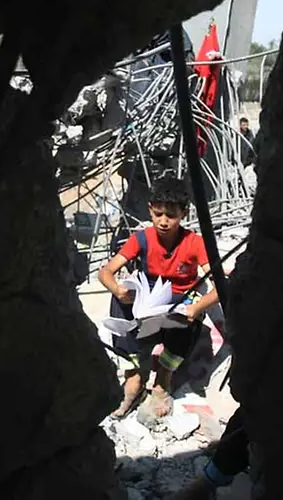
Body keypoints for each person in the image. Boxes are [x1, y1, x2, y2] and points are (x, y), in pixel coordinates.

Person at [98, 177, 219, 419]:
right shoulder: (141, 239)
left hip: (177, 302)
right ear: (150, 209)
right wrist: (119, 290)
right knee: (119, 301)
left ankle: (163, 379)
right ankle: (134, 377)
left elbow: (219, 286)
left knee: (189, 320)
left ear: (183, 213)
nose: (163, 221)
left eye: (171, 215)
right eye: (159, 213)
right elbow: (106, 272)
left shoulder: (194, 243)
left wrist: (196, 307)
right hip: (148, 301)